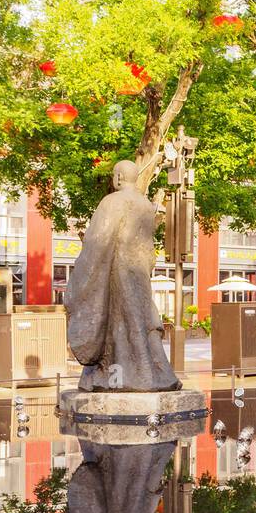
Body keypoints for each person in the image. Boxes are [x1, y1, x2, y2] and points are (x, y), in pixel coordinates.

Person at [66, 159, 181, 392]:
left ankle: (122, 376)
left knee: (119, 322)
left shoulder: (111, 202)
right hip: (139, 273)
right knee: (141, 320)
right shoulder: (146, 205)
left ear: (118, 177)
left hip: (116, 272)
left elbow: (98, 241)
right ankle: (152, 373)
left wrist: (83, 275)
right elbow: (148, 246)